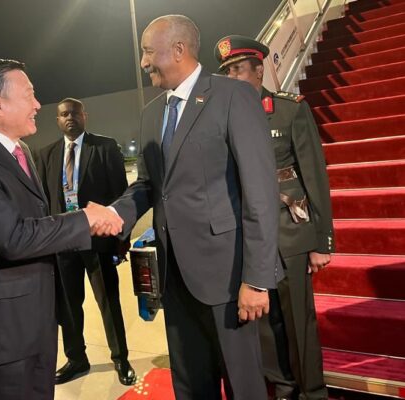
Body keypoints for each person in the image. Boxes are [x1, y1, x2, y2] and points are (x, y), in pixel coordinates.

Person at [111, 15, 282, 400]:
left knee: (243, 386)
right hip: (175, 278)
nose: (143, 62)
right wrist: (114, 215)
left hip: (228, 279)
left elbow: (259, 192)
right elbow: (149, 185)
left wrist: (257, 279)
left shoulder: (233, 97)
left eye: (148, 52)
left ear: (179, 50)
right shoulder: (152, 113)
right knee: (189, 386)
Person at [0, 59, 123, 400]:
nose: (38, 104)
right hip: (3, 339)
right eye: (29, 95)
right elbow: (14, 237)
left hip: (36, 326)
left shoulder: (19, 151)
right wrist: (85, 219)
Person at [214, 35, 334, 400]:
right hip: (250, 239)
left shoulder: (289, 109)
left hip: (290, 232)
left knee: (299, 321)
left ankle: (312, 392)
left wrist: (321, 241)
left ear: (258, 69)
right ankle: (283, 389)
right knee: (264, 324)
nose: (232, 78)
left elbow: (314, 174)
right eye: (227, 72)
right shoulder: (224, 117)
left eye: (237, 69)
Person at [36, 98, 136, 386]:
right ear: (58, 120)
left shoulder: (104, 148)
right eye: (64, 114)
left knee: (109, 302)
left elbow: (121, 195)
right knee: (68, 306)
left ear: (84, 116)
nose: (70, 118)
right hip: (63, 243)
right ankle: (76, 358)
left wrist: (122, 238)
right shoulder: (46, 155)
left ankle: (121, 359)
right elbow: (44, 202)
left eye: (74, 113)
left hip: (98, 241)